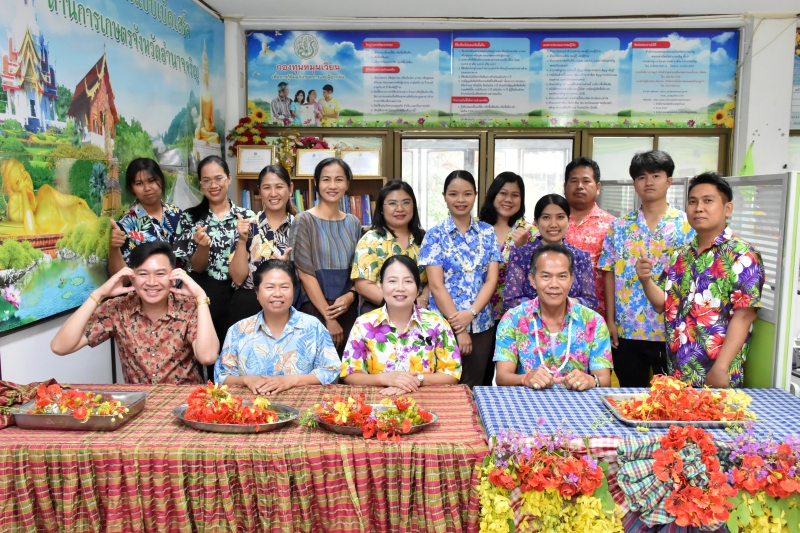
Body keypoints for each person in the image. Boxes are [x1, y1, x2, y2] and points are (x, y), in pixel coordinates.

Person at [636, 173, 765, 388]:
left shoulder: (742, 255)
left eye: (708, 201)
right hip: (678, 375)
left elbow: (745, 316)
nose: (698, 208)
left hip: (717, 375)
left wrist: (721, 368)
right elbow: (662, 304)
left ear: (727, 209)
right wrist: (645, 280)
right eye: (693, 202)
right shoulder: (681, 255)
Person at [50, 242, 218, 384]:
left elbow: (208, 357)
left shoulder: (189, 307)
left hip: (185, 404)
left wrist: (201, 297)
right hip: (139, 404)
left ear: (174, 277)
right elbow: (60, 346)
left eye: (160, 274)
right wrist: (99, 294)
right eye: (143, 274)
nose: (152, 282)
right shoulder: (118, 308)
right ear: (132, 277)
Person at [598, 150, 696, 387]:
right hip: (628, 328)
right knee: (630, 394)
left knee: (671, 397)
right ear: (634, 184)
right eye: (641, 177)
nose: (648, 182)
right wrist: (610, 321)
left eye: (655, 175)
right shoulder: (619, 227)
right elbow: (608, 273)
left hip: (672, 330)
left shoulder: (687, 226)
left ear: (669, 181)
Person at [173, 156, 256, 376]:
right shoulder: (190, 218)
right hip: (205, 293)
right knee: (208, 357)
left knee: (239, 356)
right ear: (200, 184)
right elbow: (197, 267)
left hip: (239, 293)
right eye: (206, 180)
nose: (213, 185)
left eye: (218, 178)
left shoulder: (247, 217)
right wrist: (203, 247)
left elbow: (254, 260)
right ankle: (210, 395)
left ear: (229, 178)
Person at [419, 170, 501, 388]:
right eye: (453, 194)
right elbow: (436, 285)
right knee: (442, 387)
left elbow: (491, 280)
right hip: (443, 325)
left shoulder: (488, 232)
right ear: (444, 196)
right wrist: (460, 328)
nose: (460, 200)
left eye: (467, 194)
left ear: (475, 195)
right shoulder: (435, 235)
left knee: (474, 387)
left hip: (482, 324)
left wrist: (471, 313)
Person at [494, 243, 613, 390]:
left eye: (562, 276)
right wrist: (526, 378)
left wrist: (591, 380)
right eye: (546, 276)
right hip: (528, 401)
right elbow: (502, 376)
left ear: (571, 280)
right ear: (532, 280)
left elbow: (604, 379)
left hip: (579, 402)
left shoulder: (593, 321)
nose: (554, 284)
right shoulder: (513, 319)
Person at [341, 255, 461, 395]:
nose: (400, 288)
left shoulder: (437, 323)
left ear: (417, 288)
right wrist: (385, 379)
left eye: (408, 281)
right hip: (377, 401)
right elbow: (349, 374)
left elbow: (452, 374)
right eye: (392, 281)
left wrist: (416, 380)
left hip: (424, 401)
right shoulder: (363, 324)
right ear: (381, 286)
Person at [215, 260, 340, 394]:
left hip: (302, 404)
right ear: (257, 292)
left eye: (284, 287)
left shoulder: (313, 326)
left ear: (294, 290)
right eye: (270, 287)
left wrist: (291, 381)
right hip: (251, 405)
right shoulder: (239, 330)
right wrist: (246, 380)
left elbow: (332, 371)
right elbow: (221, 376)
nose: (277, 294)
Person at [289, 158, 361, 356]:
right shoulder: (303, 221)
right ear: (316, 183)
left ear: (347, 183)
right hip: (313, 309)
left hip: (347, 308)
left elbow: (359, 270)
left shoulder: (354, 223)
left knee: (348, 368)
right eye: (326, 179)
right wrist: (329, 318)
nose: (332, 185)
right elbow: (304, 273)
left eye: (339, 179)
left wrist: (351, 296)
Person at [503, 194, 597, 311]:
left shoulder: (581, 257)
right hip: (529, 322)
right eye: (546, 217)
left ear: (568, 220)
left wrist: (564, 304)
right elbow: (510, 301)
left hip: (572, 322)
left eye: (560, 217)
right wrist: (548, 305)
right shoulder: (520, 256)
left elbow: (590, 301)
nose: (553, 224)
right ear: (536, 222)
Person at [229, 164, 296, 325]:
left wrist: (286, 267)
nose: (273, 193)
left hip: (289, 305)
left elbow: (308, 276)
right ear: (259, 191)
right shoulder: (247, 226)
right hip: (248, 306)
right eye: (266, 188)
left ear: (290, 189)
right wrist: (242, 239)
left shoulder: (300, 227)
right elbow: (238, 279)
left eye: (279, 186)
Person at [352, 179, 429, 315]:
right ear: (381, 208)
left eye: (406, 202)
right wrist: (401, 307)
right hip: (381, 314)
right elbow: (363, 285)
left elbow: (435, 280)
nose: (400, 209)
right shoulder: (371, 240)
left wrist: (424, 297)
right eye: (392, 203)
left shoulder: (426, 240)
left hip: (421, 315)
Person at [478, 171, 535, 323]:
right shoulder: (476, 228)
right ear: (493, 195)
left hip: (516, 315)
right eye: (503, 193)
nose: (508, 199)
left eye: (515, 195)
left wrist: (522, 249)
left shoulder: (530, 232)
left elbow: (538, 275)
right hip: (477, 313)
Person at [108, 158, 182, 276]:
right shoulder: (125, 225)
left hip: (179, 286)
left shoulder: (177, 214)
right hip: (147, 287)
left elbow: (189, 262)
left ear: (161, 180)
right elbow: (122, 279)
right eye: (139, 183)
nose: (147, 188)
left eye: (151, 180)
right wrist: (114, 248)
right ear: (132, 188)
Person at [563, 157, 616, 316]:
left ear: (598, 187)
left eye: (586, 181)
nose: (579, 186)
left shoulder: (613, 226)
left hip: (597, 315)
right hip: (553, 314)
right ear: (565, 187)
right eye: (574, 181)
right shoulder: (549, 222)